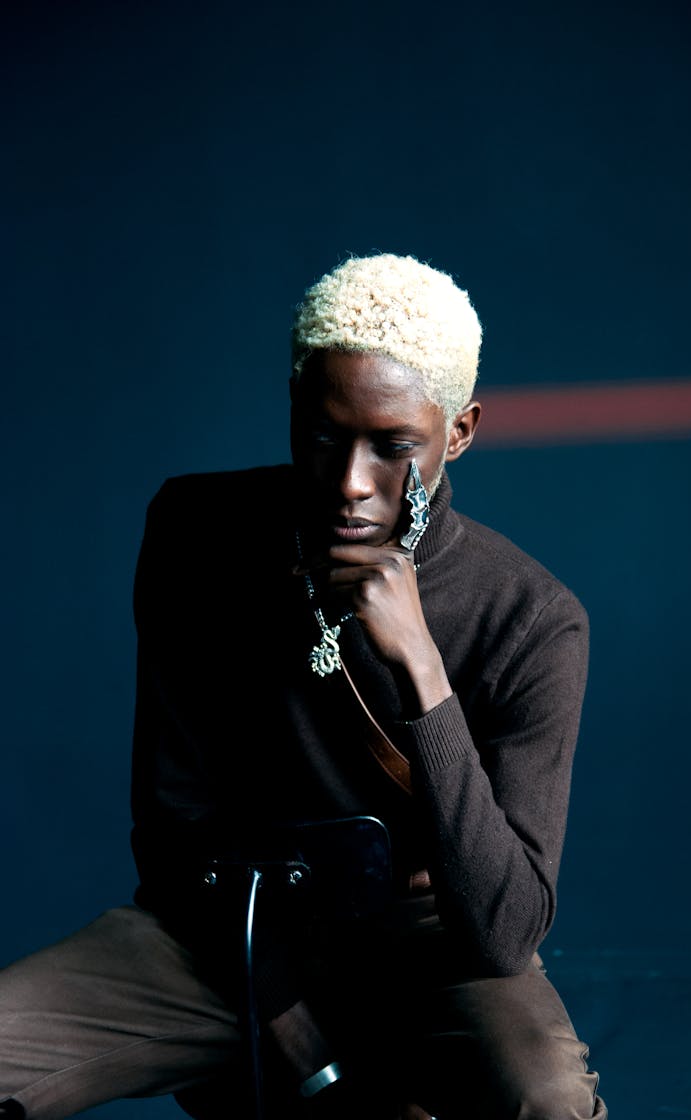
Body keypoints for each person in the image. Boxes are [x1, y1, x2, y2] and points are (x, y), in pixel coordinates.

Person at [0, 252, 607, 1120]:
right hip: (226, 928)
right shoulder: (195, 534)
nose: (351, 482)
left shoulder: (533, 618)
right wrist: (313, 1063)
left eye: (394, 447)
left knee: (548, 1106)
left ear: (460, 432)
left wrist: (422, 670)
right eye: (324, 434)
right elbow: (173, 834)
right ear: (292, 405)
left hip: (428, 952)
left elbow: (504, 929)